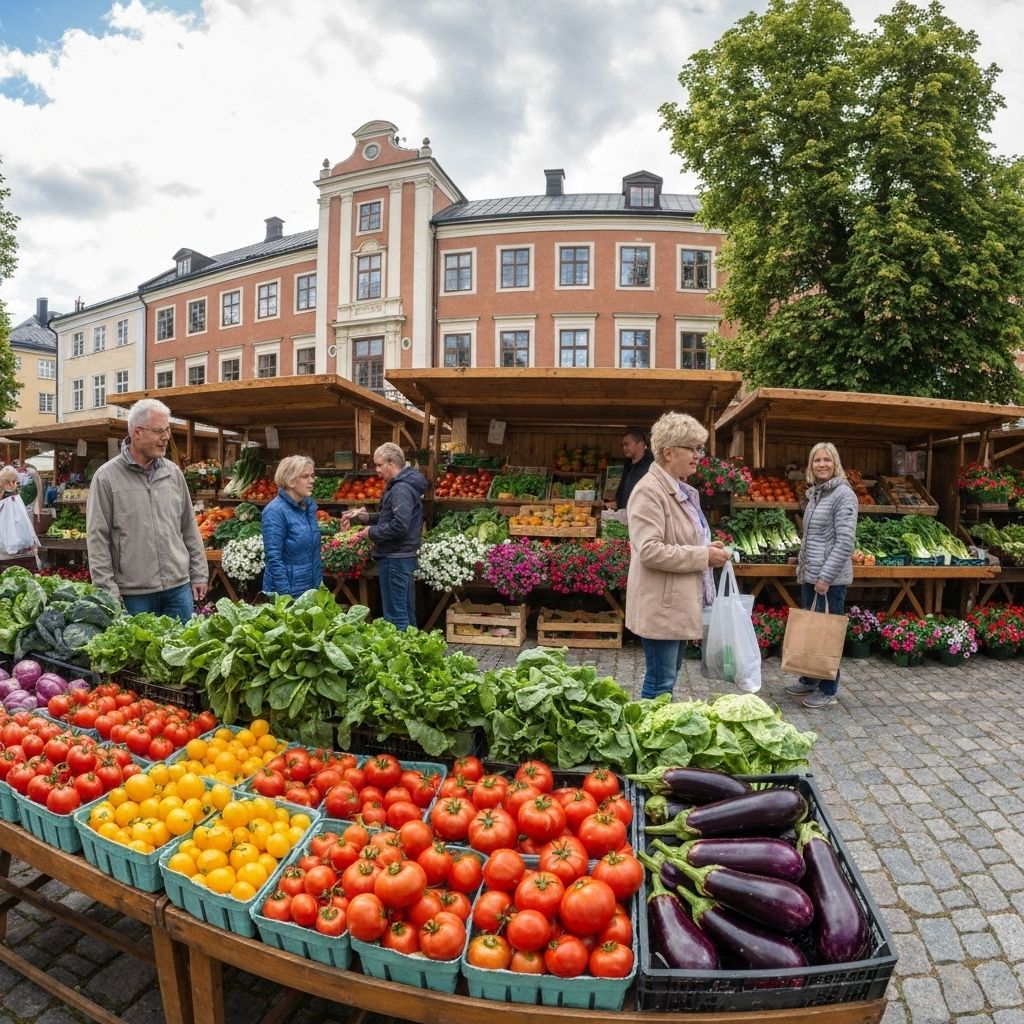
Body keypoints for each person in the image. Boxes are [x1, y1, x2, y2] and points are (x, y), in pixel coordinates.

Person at [625, 411, 732, 699]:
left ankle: (654, 738)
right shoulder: (649, 492)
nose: (698, 455)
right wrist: (703, 556)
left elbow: (682, 539)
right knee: (660, 683)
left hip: (674, 604)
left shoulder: (679, 489)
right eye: (692, 448)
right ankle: (647, 740)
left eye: (700, 448)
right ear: (669, 452)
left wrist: (707, 548)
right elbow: (649, 550)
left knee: (666, 681)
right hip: (662, 606)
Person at [86, 398, 208, 622]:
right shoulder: (106, 477)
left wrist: (199, 572)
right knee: (140, 656)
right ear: (137, 433)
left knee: (182, 652)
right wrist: (107, 592)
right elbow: (97, 539)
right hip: (134, 594)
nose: (166, 437)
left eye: (167, 430)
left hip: (178, 588)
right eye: (158, 431)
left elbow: (189, 526)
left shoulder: (173, 473)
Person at [785, 442, 858, 709]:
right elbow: (813, 537)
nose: (822, 465)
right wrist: (802, 563)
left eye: (827, 460)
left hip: (830, 579)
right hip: (811, 575)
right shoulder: (816, 494)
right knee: (812, 631)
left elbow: (845, 542)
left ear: (835, 463)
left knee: (828, 634)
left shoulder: (844, 495)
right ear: (811, 465)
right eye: (817, 460)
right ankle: (810, 679)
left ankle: (828, 688)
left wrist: (826, 577)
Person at [341, 442, 427, 630]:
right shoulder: (403, 485)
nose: (376, 470)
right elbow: (392, 517)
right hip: (402, 557)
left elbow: (399, 525)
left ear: (390, 463)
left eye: (379, 464)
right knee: (404, 611)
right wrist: (365, 517)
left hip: (395, 558)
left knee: (396, 616)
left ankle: (401, 655)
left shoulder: (400, 488)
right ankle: (413, 653)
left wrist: (370, 532)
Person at [261, 455, 323, 598]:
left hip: (310, 589)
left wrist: (318, 588)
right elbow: (274, 559)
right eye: (305, 476)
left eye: (312, 475)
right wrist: (285, 597)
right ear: (291, 480)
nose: (312, 481)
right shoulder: (275, 511)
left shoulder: (308, 508)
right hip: (287, 593)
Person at [0, 464, 39, 571]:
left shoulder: (17, 498)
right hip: (12, 547)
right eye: (9, 481)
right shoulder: (17, 498)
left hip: (16, 546)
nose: (12, 483)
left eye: (14, 481)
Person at [608, 427, 654, 511]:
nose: (624, 448)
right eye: (623, 445)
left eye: (627, 444)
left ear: (640, 444)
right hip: (624, 515)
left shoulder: (652, 466)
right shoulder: (628, 464)